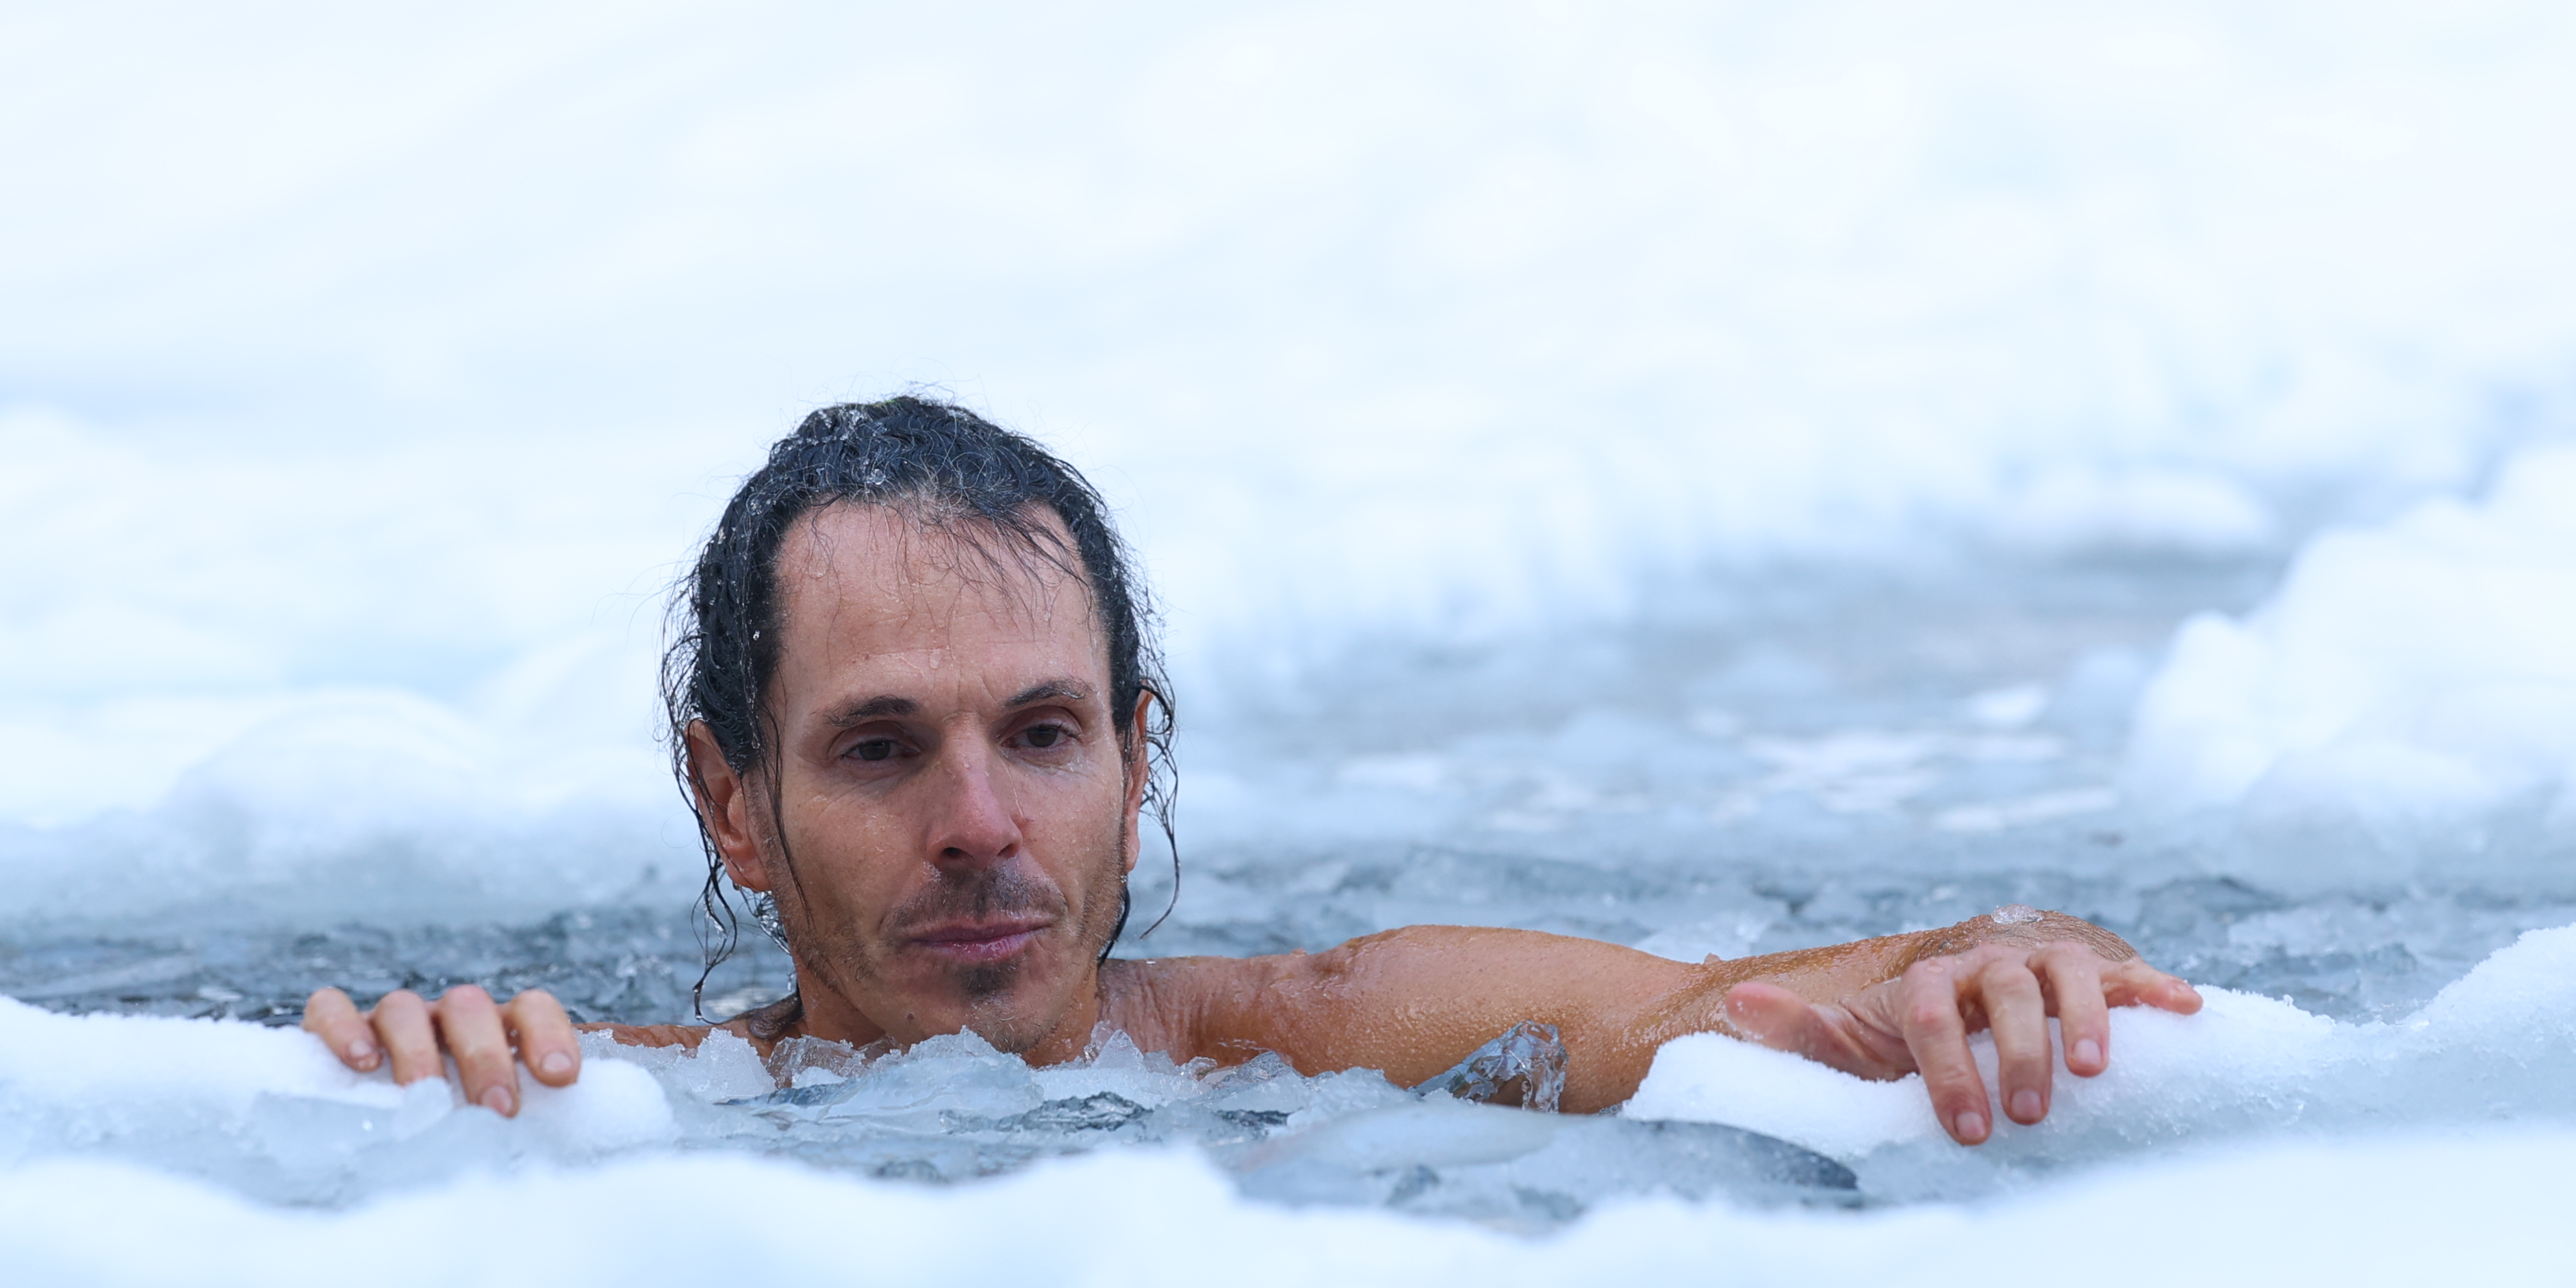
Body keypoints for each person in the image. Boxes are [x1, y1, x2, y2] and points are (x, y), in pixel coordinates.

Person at [306, 397, 2202, 1140]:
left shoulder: (1332, 1042)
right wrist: (414, 1073)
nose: (982, 825)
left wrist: (2011, 959)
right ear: (734, 801)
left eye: (1044, 735)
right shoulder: (604, 1102)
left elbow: (1784, 997)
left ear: (1138, 759)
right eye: (881, 750)